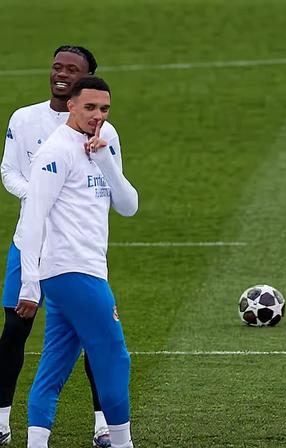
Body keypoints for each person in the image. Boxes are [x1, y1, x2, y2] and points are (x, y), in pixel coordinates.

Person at [0, 45, 119, 448]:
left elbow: (122, 199)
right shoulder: (26, 119)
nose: (61, 73)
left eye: (73, 69)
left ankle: (102, 426)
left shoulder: (101, 131)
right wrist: (38, 194)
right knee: (16, 330)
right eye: (57, 66)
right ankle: (3, 422)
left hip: (74, 254)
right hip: (30, 246)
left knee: (88, 341)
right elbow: (8, 169)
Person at [17, 75, 138, 448]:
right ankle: (122, 442)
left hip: (84, 269)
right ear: (71, 106)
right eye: (90, 107)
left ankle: (36, 441)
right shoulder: (55, 152)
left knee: (54, 363)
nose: (97, 116)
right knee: (115, 357)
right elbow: (33, 218)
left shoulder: (99, 146)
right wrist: (29, 283)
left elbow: (129, 206)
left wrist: (105, 159)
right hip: (71, 271)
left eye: (104, 109)